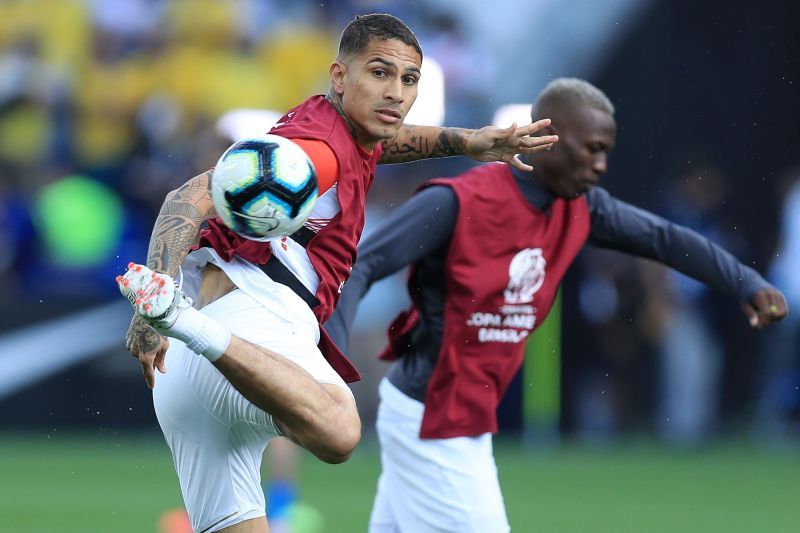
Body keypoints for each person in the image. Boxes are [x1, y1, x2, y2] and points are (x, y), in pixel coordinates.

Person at [117, 13, 557, 533]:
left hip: (185, 381)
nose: (396, 92)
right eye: (379, 72)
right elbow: (186, 197)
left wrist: (468, 142)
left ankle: (182, 320)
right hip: (247, 319)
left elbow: (381, 145)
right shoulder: (318, 150)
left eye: (409, 79)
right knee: (340, 429)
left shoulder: (339, 130)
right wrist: (155, 317)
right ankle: (180, 318)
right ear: (340, 75)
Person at [325, 77, 789, 532]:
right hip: (432, 416)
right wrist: (331, 372)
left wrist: (746, 282)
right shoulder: (460, 199)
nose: (601, 164)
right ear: (546, 139)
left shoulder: (584, 207)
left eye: (606, 150)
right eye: (591, 148)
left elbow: (664, 239)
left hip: (458, 419)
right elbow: (361, 265)